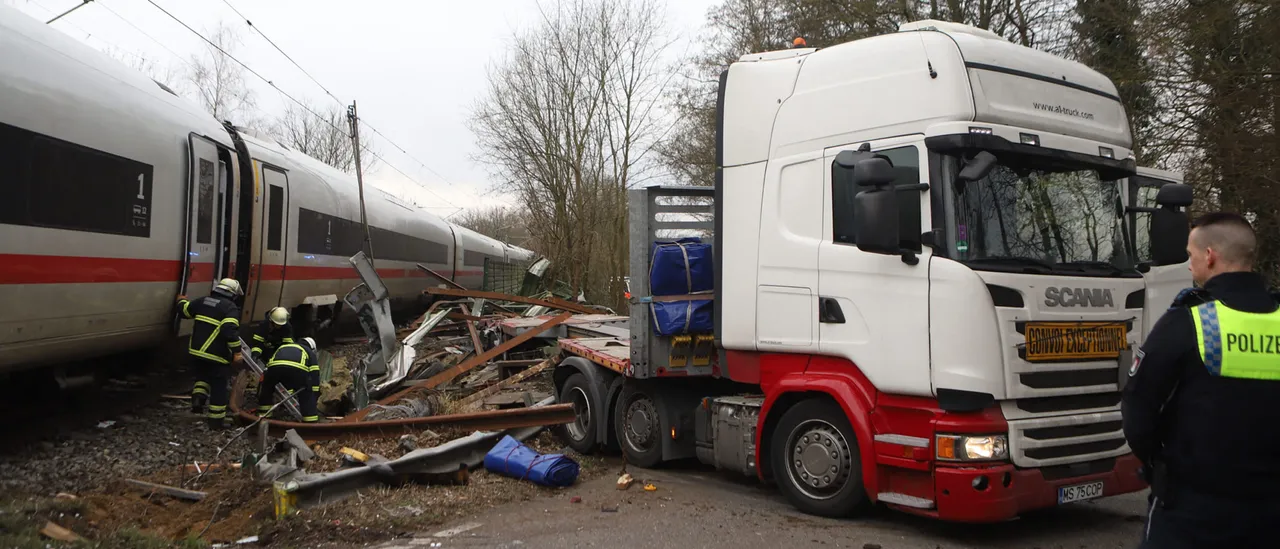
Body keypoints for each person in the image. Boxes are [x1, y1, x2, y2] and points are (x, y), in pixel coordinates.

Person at [1122, 212, 1280, 548]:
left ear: (1210, 256)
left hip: (1193, 511)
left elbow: (1138, 408)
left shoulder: (1191, 321)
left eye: (1191, 255)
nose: (1190, 265)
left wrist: (1159, 465)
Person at [176, 278, 244, 428]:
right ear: (232, 294)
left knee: (202, 377)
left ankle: (198, 400)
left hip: (197, 351)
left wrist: (180, 300)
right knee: (219, 386)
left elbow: (185, 311)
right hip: (216, 355)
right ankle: (216, 421)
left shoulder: (203, 301)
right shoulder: (230, 308)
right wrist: (237, 352)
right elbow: (229, 331)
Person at [258, 336, 321, 423]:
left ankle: (264, 416)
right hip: (296, 370)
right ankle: (310, 420)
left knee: (267, 388)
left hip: (274, 368)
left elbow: (271, 362)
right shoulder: (308, 351)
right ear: (312, 347)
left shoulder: (283, 346)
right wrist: (314, 393)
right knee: (306, 393)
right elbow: (314, 374)